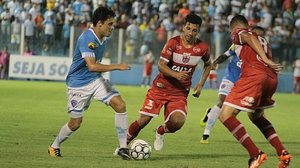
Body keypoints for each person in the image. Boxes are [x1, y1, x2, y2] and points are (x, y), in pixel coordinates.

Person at [48, 6, 131, 160]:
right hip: (78, 84)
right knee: (75, 123)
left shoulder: (103, 38)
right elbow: (92, 66)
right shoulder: (87, 38)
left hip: (95, 80)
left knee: (120, 105)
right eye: (110, 24)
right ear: (99, 23)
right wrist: (117, 66)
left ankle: (123, 147)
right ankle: (54, 145)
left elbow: (94, 69)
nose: (112, 27)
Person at [125, 14, 212, 151]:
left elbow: (208, 65)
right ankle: (123, 145)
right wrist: (176, 75)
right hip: (160, 88)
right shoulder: (173, 43)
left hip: (179, 93)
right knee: (143, 121)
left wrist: (200, 84)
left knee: (178, 122)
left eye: (194, 30)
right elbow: (161, 65)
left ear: (198, 31)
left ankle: (160, 131)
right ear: (183, 27)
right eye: (188, 28)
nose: (190, 33)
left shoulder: (202, 48)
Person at [219, 15, 292, 168]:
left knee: (225, 115)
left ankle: (255, 154)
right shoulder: (262, 39)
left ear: (234, 27)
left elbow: (245, 36)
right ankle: (283, 152)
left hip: (254, 75)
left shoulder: (240, 32)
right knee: (256, 116)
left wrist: (265, 59)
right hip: (271, 79)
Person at [199, 26, 266, 144]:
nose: (257, 37)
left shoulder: (261, 52)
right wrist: (214, 63)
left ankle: (210, 113)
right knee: (221, 102)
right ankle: (206, 134)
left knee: (231, 111)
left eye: (260, 36)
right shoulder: (238, 45)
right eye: (256, 34)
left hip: (243, 83)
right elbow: (225, 55)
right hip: (230, 77)